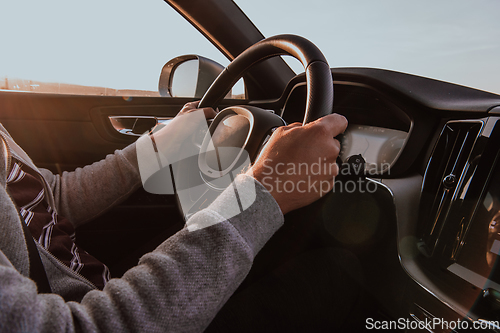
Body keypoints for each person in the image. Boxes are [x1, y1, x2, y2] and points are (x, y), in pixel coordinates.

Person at [0, 101, 347, 332]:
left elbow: (48, 197)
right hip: (96, 313)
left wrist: (159, 144)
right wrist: (262, 191)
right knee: (334, 271)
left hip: (94, 285)